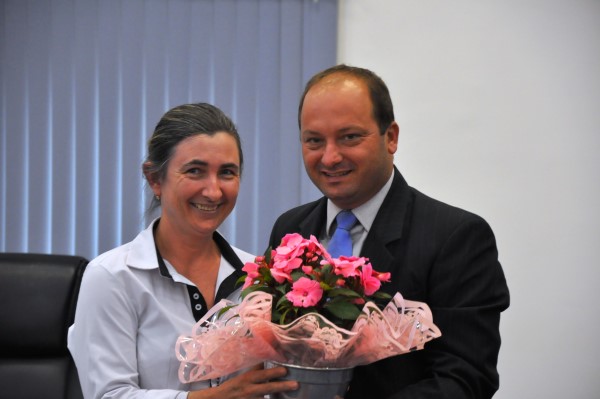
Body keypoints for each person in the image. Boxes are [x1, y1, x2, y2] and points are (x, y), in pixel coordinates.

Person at [269, 65, 510, 398]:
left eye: (349, 137)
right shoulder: (290, 228)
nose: (330, 156)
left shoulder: (457, 237)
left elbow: (465, 379)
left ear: (391, 137)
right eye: (314, 141)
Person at [68, 103, 298, 399]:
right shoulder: (112, 277)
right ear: (154, 179)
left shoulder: (261, 275)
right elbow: (108, 395)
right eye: (195, 171)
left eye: (227, 172)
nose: (213, 191)